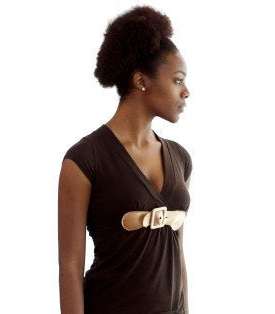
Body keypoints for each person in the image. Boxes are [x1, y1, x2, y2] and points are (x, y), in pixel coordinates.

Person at [58, 6, 192, 314]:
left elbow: (178, 254)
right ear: (141, 81)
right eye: (177, 80)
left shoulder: (181, 159)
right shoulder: (84, 160)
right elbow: (69, 266)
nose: (186, 92)